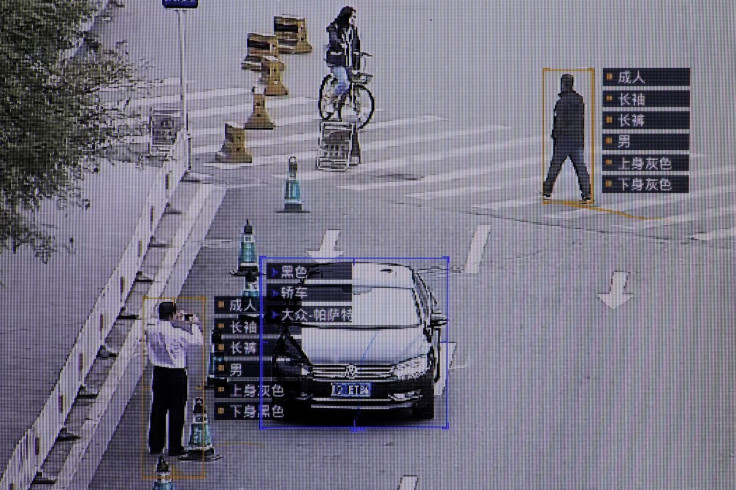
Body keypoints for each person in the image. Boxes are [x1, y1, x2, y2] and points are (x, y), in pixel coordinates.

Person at [146, 301, 203, 456]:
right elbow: (198, 342)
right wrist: (192, 324)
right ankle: (175, 447)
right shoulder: (177, 334)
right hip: (176, 374)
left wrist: (175, 317)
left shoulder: (151, 330)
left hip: (159, 373)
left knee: (158, 409)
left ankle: (156, 445)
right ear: (172, 315)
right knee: (177, 411)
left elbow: (151, 322)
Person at [543, 74, 592, 204]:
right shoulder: (579, 100)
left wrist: (555, 135)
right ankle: (586, 193)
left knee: (555, 166)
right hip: (577, 139)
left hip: (563, 140)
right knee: (580, 167)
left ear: (563, 84)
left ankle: (547, 191)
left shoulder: (561, 102)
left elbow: (559, 122)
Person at [325, 6, 360, 110]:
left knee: (352, 84)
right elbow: (333, 39)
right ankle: (329, 100)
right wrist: (339, 44)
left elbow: (356, 45)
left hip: (348, 61)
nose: (353, 19)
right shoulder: (335, 27)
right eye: (352, 17)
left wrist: (357, 60)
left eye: (355, 17)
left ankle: (350, 105)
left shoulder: (352, 30)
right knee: (344, 83)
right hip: (337, 61)